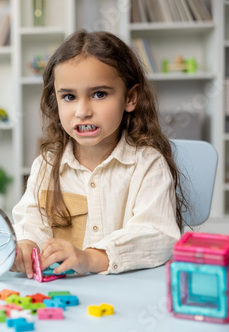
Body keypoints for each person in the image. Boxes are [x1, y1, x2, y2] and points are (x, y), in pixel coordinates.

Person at [12, 29, 187, 278]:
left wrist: (91, 257)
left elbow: (158, 235)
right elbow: (31, 221)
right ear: (56, 101)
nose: (83, 111)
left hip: (125, 300)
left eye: (99, 94)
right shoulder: (46, 165)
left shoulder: (148, 164)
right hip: (62, 298)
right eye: (69, 97)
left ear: (130, 97)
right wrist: (27, 245)